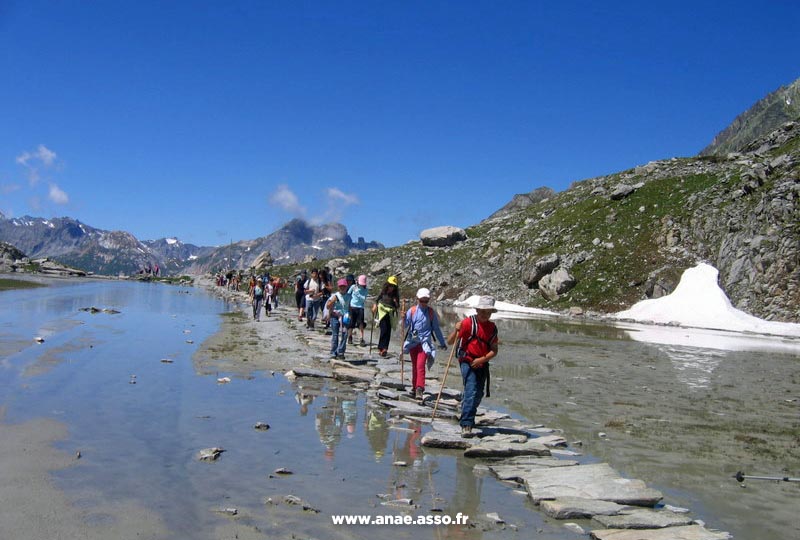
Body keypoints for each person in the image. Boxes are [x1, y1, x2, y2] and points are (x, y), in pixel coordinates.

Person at [447, 295, 499, 438]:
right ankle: (467, 423)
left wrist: (482, 360)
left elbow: (494, 350)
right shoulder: (468, 323)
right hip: (467, 360)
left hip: (482, 362)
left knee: (478, 394)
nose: (484, 314)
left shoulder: (492, 328)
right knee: (471, 389)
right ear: (477, 310)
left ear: (491, 313)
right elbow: (450, 342)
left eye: (487, 312)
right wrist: (455, 329)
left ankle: (467, 408)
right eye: (482, 311)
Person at [402, 288, 447, 400]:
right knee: (414, 366)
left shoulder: (431, 313)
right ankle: (414, 387)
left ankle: (419, 388)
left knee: (420, 365)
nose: (424, 303)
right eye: (422, 300)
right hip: (412, 343)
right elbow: (404, 326)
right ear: (417, 299)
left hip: (424, 344)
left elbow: (436, 329)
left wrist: (442, 343)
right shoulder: (411, 311)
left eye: (426, 301)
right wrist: (403, 318)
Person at [372, 275, 400, 357]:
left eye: (393, 286)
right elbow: (376, 300)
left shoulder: (395, 295)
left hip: (390, 314)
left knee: (388, 331)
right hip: (382, 313)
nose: (391, 288)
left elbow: (397, 306)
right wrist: (374, 306)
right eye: (390, 285)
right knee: (383, 329)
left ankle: (385, 349)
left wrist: (395, 302)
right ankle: (381, 347)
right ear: (387, 285)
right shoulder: (383, 292)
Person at [324, 278, 351, 359]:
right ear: (338, 287)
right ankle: (333, 352)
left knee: (345, 334)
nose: (342, 288)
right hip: (335, 316)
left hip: (345, 317)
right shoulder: (335, 296)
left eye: (344, 286)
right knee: (335, 334)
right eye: (341, 286)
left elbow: (351, 307)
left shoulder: (349, 296)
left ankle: (341, 352)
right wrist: (333, 301)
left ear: (346, 286)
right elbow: (328, 306)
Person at [347, 275, 368, 347]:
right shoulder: (353, 287)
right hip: (352, 307)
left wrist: (358, 294)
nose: (361, 285)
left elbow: (363, 299)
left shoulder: (365, 290)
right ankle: (350, 337)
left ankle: (361, 338)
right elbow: (348, 294)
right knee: (351, 323)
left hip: (360, 307)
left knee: (361, 323)